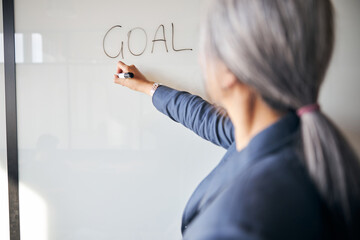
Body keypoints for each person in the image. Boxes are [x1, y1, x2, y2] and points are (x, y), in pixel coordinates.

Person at [113, 0, 360, 239]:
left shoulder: (233, 225)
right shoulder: (296, 140)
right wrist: (148, 88)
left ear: (229, 70)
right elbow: (206, 119)